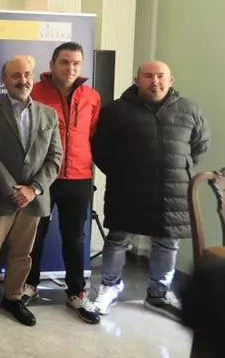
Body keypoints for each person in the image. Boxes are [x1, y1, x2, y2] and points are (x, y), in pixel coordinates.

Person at [92, 60, 210, 322]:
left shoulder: (189, 109)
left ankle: (158, 294)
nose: (154, 81)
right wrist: (121, 172)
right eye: (147, 76)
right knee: (118, 239)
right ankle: (109, 287)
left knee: (167, 242)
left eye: (160, 76)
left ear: (171, 80)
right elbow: (100, 148)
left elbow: (200, 144)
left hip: (173, 190)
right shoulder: (116, 110)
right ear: (137, 80)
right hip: (127, 188)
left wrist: (178, 167)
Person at [0, 55, 62, 327]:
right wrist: (13, 189)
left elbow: (55, 158)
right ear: (4, 80)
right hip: (0, 195)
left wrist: (33, 189)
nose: (22, 80)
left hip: (33, 199)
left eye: (27, 75)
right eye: (15, 76)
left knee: (23, 253)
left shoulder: (48, 114)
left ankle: (13, 297)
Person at [23, 42, 101, 324]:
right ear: (52, 65)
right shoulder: (35, 92)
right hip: (42, 177)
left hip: (79, 178)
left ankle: (76, 293)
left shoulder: (91, 96)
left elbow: (92, 135)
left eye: (76, 63)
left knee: (75, 238)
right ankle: (28, 285)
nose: (71, 68)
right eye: (65, 62)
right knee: (35, 235)